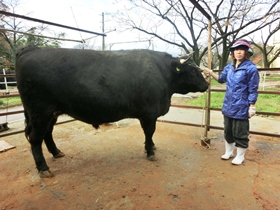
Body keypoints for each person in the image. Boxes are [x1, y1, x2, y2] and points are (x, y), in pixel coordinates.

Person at [203, 39, 260, 165]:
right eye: (236, 50)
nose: (238, 52)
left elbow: (253, 89)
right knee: (228, 131)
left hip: (241, 106)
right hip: (228, 105)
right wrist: (211, 72)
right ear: (233, 52)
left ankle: (240, 156)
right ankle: (229, 152)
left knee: (240, 132)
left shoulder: (250, 69)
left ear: (246, 52)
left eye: (241, 50)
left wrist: (252, 105)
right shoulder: (229, 67)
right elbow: (221, 79)